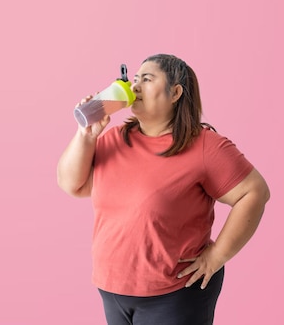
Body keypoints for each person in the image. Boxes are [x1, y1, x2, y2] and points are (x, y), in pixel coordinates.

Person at [56, 54, 270, 325]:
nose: (134, 87)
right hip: (112, 290)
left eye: (147, 79)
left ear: (175, 93)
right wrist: (86, 134)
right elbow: (70, 183)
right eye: (134, 80)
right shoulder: (112, 139)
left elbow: (255, 192)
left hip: (173, 294)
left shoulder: (205, 146)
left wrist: (218, 255)